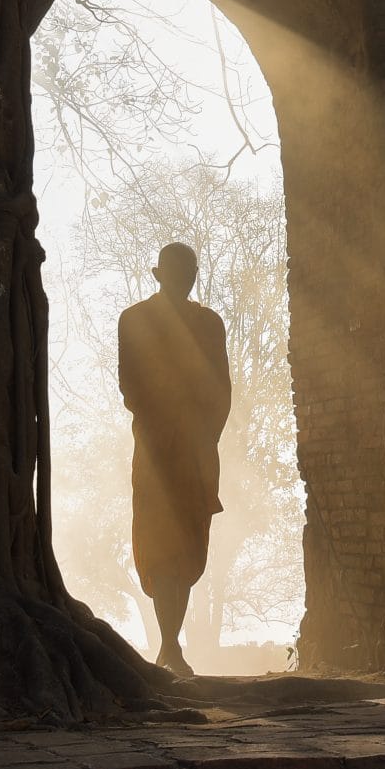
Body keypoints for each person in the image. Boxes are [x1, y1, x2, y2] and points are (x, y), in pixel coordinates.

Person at [116, 241, 231, 676]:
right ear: (159, 274)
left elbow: (222, 388)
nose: (185, 279)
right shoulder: (135, 320)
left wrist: (203, 436)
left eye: (191, 271)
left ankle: (170, 646)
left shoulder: (209, 324)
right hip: (156, 450)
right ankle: (170, 646)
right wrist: (172, 422)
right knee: (159, 543)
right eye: (177, 271)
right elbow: (132, 387)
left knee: (189, 543)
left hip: (197, 452)